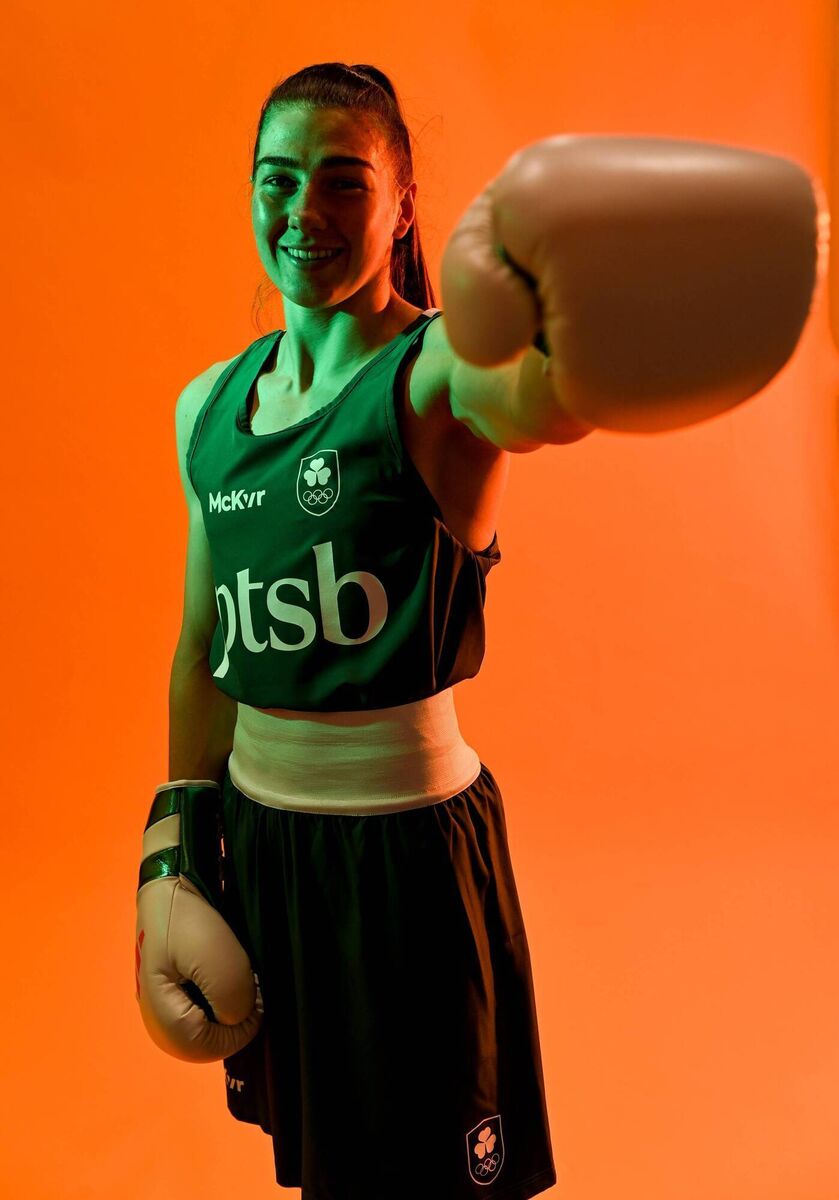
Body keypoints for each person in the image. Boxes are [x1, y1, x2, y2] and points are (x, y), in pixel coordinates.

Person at [136, 58, 820, 1200]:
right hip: (264, 847)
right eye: (278, 178)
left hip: (405, 856)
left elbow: (532, 398)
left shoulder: (435, 370)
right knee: (325, 1172)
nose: (304, 212)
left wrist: (584, 335)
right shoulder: (206, 407)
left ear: (404, 206)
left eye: (344, 181)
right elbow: (201, 644)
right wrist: (174, 848)